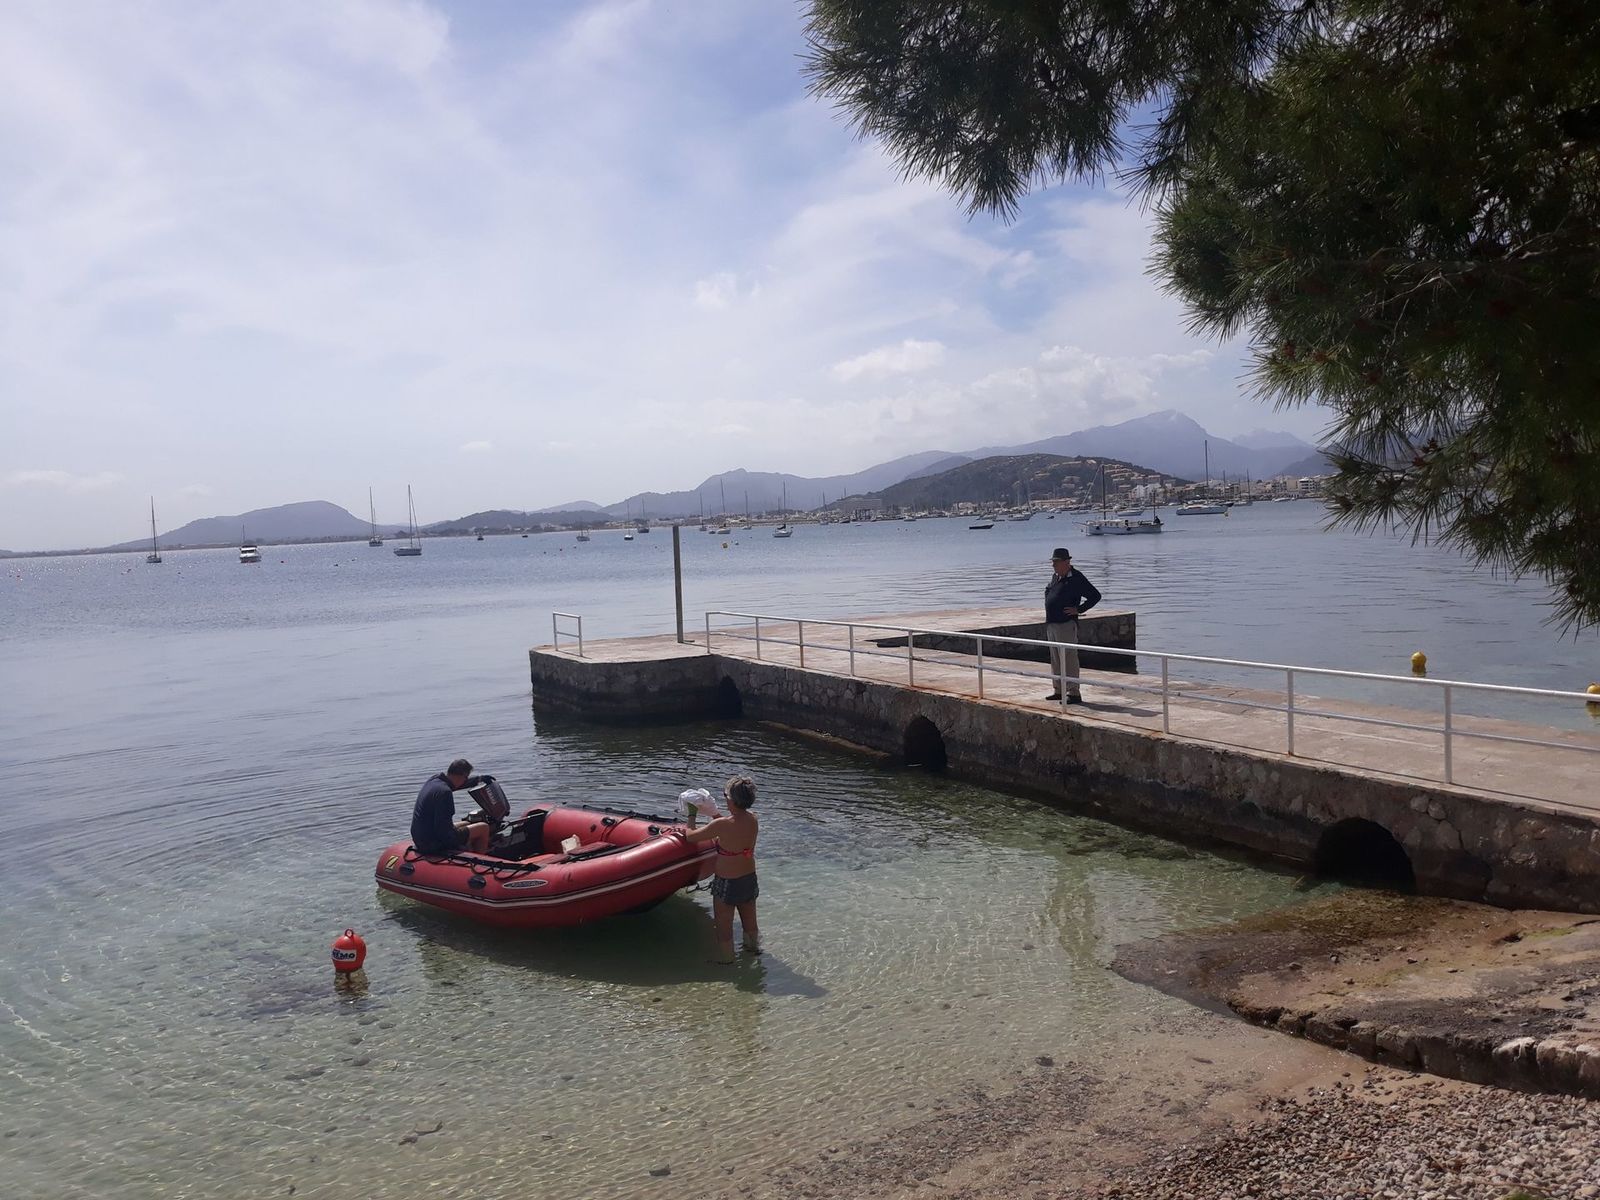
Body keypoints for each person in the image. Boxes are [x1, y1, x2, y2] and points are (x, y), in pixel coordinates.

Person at [676, 775, 760, 963]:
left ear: (731, 800)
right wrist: (714, 813)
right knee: (750, 922)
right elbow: (730, 827)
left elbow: (691, 836)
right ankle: (753, 951)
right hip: (748, 878)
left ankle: (727, 961)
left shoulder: (722, 825)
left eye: (725, 796)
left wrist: (692, 813)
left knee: (723, 926)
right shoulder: (753, 819)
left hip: (727, 882)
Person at [1044, 547, 1101, 704]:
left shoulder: (1076, 578)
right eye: (1053, 562)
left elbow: (1095, 596)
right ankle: (1058, 689)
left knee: (1069, 658)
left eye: (1056, 562)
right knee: (1055, 658)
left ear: (1066, 562)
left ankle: (1073, 692)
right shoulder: (1055, 577)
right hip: (1052, 624)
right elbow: (1049, 592)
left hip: (1066, 625)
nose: (1053, 565)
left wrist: (1079, 609)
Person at [410, 758, 491, 856]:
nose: (466, 780)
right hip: (432, 842)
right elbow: (443, 831)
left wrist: (479, 779)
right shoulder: (445, 793)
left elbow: (457, 785)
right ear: (461, 776)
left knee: (469, 823)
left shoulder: (435, 780)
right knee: (484, 827)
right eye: (466, 778)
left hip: (420, 837)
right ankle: (479, 861)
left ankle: (471, 848)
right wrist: (458, 845)